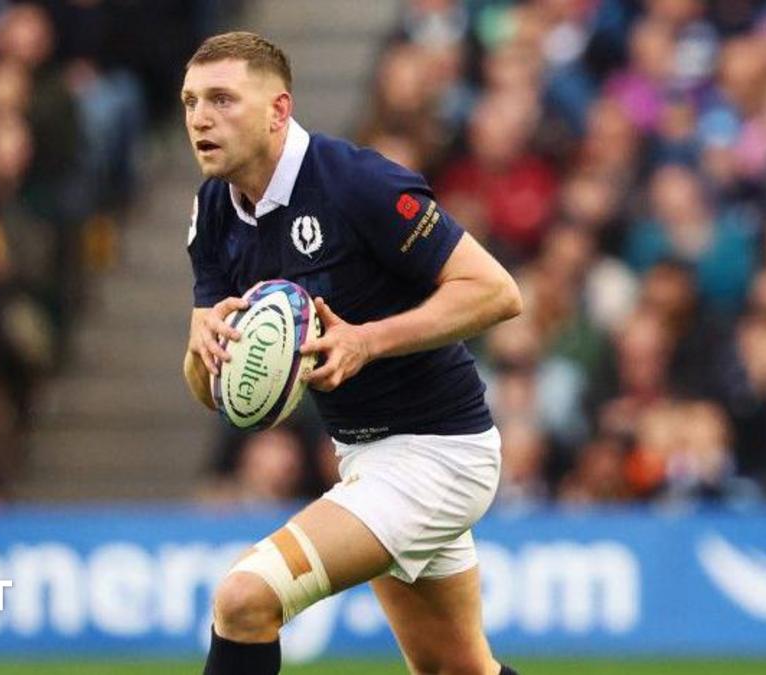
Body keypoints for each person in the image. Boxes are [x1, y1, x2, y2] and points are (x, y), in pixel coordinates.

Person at [181, 32, 523, 675]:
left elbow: (497, 293)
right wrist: (203, 353)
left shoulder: (355, 183)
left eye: (223, 99)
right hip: (363, 457)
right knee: (456, 669)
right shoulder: (213, 210)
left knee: (244, 599)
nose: (200, 117)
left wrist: (366, 340)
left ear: (278, 110)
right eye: (191, 101)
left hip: (440, 453)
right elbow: (215, 393)